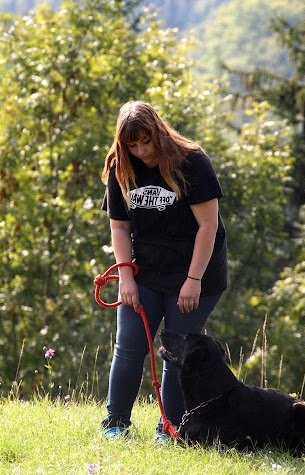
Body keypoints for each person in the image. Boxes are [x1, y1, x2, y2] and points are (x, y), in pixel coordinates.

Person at [99, 101, 228, 442]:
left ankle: (170, 429)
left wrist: (193, 280)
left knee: (176, 352)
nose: (141, 151)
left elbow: (208, 227)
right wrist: (126, 277)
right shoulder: (121, 167)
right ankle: (115, 424)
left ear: (158, 132)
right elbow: (119, 228)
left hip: (197, 270)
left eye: (146, 142)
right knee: (129, 346)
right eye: (132, 144)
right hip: (145, 271)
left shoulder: (192, 162)